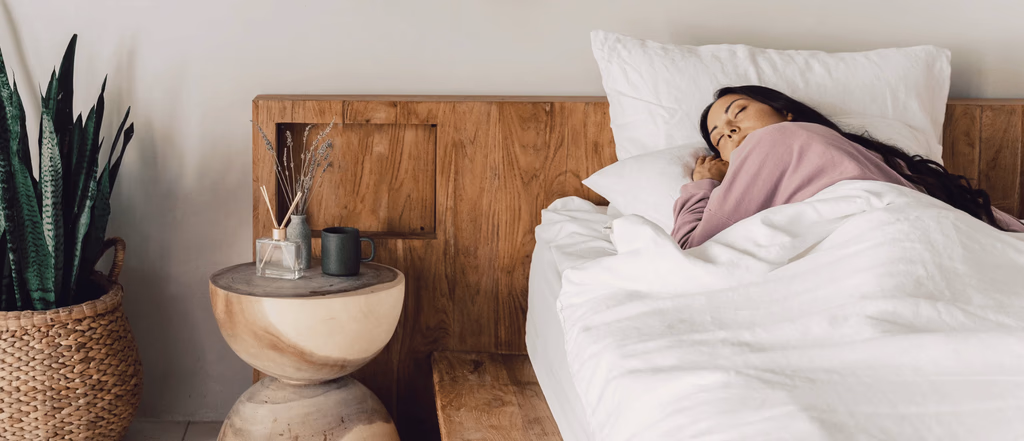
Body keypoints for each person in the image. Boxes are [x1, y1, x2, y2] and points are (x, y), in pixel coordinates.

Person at [672, 85, 1024, 249]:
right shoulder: (880, 159)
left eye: (739, 112)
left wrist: (702, 185)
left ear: (785, 111)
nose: (730, 130)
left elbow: (690, 247)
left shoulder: (773, 139)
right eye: (719, 138)